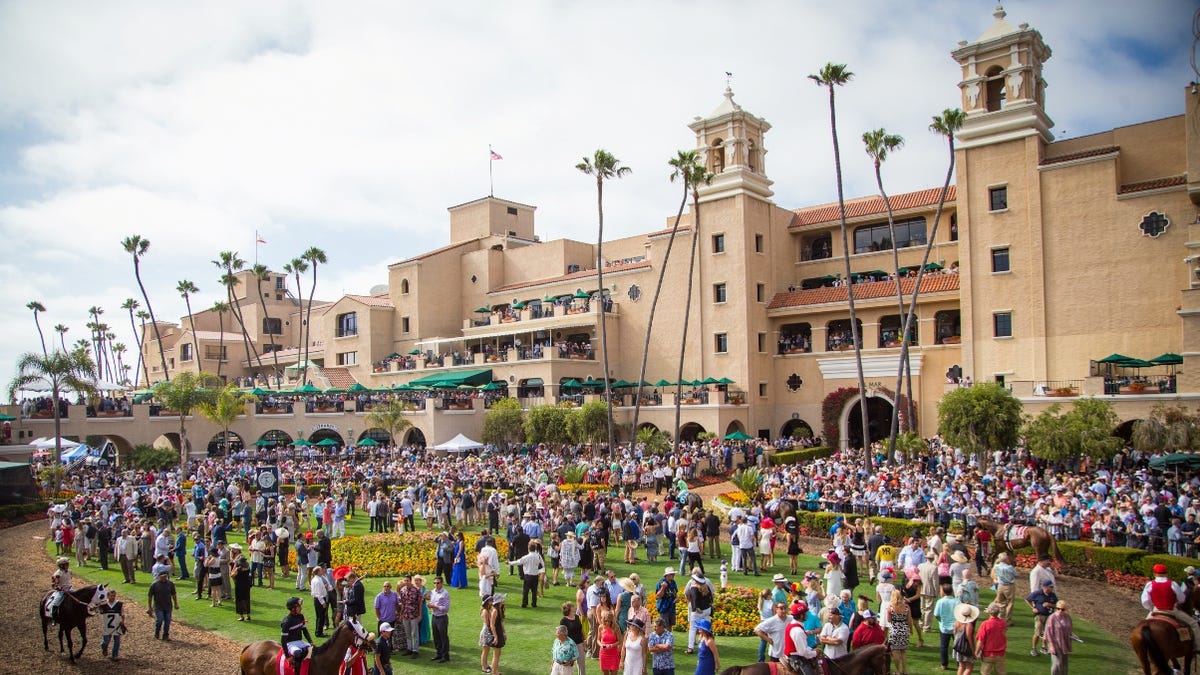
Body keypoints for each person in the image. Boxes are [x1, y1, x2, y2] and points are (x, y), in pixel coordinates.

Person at [1140, 562, 1200, 654]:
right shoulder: (1173, 584)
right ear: (1166, 573)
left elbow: (1145, 601)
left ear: (1154, 573)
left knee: (1142, 628)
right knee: (1194, 624)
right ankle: (1197, 646)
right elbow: (1182, 599)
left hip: (1156, 610)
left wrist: (1151, 608)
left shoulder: (1149, 585)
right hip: (1172, 610)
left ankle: (1143, 647)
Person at [281, 596, 315, 675]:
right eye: (299, 606)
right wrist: (287, 657)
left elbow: (305, 631)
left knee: (314, 650)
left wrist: (311, 642)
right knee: (298, 653)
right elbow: (283, 641)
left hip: (300, 641)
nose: (301, 608)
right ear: (293, 609)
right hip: (290, 644)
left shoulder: (301, 616)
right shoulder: (287, 622)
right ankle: (296, 672)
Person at [684, 569, 714, 654]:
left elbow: (694, 600)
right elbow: (711, 598)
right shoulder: (706, 586)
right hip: (707, 610)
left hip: (698, 611)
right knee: (706, 628)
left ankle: (690, 648)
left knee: (693, 628)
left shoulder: (694, 587)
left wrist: (696, 608)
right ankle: (708, 644)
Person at [1025, 579, 1058, 656]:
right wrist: (1033, 608)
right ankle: (1033, 648)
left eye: (1052, 587)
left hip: (1049, 616)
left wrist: (1049, 604)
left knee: (1047, 632)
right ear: (1045, 587)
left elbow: (1056, 605)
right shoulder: (1037, 593)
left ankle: (1044, 647)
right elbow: (1027, 599)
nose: (1051, 588)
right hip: (1040, 616)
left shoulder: (1052, 595)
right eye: (1050, 587)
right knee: (1038, 632)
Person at [974, 604, 1008, 675]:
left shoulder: (985, 624)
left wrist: (976, 652)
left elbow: (980, 640)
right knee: (1001, 672)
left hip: (987, 654)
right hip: (1000, 653)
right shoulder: (1003, 623)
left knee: (985, 673)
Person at [147, 571, 179, 641]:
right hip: (158, 606)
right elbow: (150, 597)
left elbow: (173, 594)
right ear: (159, 577)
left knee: (167, 621)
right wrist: (150, 607)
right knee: (160, 619)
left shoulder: (170, 584)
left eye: (165, 577)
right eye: (162, 577)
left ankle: (165, 635)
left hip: (168, 606)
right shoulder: (154, 585)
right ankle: (157, 633)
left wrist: (176, 604)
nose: (164, 578)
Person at [886, 587, 912, 674]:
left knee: (895, 651)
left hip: (894, 630)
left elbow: (889, 620)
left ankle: (897, 671)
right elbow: (909, 620)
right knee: (903, 651)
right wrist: (910, 629)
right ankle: (905, 670)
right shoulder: (906, 607)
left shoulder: (890, 608)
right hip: (904, 629)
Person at [934, 583, 960, 670]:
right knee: (957, 646)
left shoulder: (940, 601)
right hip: (956, 627)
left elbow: (936, 614)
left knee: (944, 646)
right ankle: (959, 663)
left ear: (943, 592)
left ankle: (944, 665)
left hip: (944, 627)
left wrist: (941, 621)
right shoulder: (957, 601)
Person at [1043, 600, 1071, 675]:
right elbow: (1048, 632)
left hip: (1065, 643)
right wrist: (1051, 646)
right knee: (1057, 664)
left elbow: (1069, 628)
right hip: (1055, 644)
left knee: (1064, 664)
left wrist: (1073, 635)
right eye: (1058, 608)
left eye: (1062, 609)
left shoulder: (1067, 617)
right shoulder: (1052, 618)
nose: (1060, 611)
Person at [397, 574, 422, 658]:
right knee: (407, 633)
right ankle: (409, 648)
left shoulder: (416, 590)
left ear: (410, 581)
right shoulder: (402, 590)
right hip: (405, 614)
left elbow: (420, 603)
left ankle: (415, 650)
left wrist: (420, 615)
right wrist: (401, 615)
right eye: (405, 581)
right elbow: (403, 604)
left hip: (414, 614)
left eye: (407, 580)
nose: (406, 582)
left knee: (414, 633)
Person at [98, 587, 125, 661]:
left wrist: (122, 621)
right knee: (105, 642)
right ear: (108, 596)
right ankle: (104, 648)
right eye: (111, 596)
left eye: (114, 596)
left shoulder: (119, 604)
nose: (113, 597)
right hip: (107, 627)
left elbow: (122, 614)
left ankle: (114, 655)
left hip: (116, 626)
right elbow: (97, 609)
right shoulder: (103, 605)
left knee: (117, 642)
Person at [428, 576, 451, 662]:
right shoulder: (433, 592)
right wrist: (430, 605)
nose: (436, 585)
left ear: (441, 583)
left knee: (443, 636)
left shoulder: (445, 594)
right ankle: (439, 653)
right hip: (434, 616)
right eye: (434, 583)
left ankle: (445, 656)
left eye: (438, 583)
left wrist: (434, 606)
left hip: (442, 617)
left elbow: (446, 608)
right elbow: (432, 602)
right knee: (436, 636)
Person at [561, 602, 587, 675]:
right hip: (569, 645)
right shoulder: (563, 620)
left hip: (579, 643)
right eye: (572, 606)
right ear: (569, 609)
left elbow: (581, 629)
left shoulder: (577, 617)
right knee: (569, 664)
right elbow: (562, 634)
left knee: (581, 664)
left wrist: (584, 640)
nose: (574, 607)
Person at [990, 553, 1017, 624]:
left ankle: (1000, 617)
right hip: (1009, 586)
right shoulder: (1009, 567)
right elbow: (1015, 574)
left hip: (1000, 585)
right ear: (1006, 559)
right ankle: (1007, 620)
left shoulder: (996, 566)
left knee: (1001, 602)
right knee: (1010, 603)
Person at [953, 603, 979, 675]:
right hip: (966, 647)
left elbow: (954, 633)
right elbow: (969, 637)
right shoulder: (969, 624)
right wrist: (973, 651)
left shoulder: (957, 622)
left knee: (961, 666)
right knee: (969, 666)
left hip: (958, 646)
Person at [231, 543, 253, 621]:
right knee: (246, 600)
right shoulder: (247, 567)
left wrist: (235, 569)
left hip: (239, 585)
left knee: (240, 600)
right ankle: (248, 614)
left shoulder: (239, 569)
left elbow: (232, 575)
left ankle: (241, 616)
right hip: (246, 585)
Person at [598, 607, 623, 675]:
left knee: (614, 672)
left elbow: (620, 641)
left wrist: (612, 645)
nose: (607, 622)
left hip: (613, 653)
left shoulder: (616, 627)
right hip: (603, 653)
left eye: (609, 621)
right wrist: (601, 645)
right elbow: (598, 640)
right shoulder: (600, 627)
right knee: (605, 673)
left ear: (612, 620)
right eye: (606, 621)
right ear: (603, 620)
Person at [48, 557, 72, 623]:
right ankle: (54, 618)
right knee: (55, 603)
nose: (68, 565)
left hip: (70, 589)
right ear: (61, 565)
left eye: (68, 564)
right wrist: (60, 588)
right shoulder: (57, 574)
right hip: (62, 591)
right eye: (66, 564)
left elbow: (69, 580)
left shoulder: (69, 571)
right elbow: (54, 585)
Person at [655, 568, 678, 633]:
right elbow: (658, 596)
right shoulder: (661, 583)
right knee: (663, 626)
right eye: (672, 574)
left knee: (670, 625)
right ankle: (664, 641)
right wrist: (663, 587)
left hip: (671, 607)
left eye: (674, 574)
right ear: (667, 575)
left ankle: (669, 639)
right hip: (664, 608)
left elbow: (675, 592)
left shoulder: (673, 582)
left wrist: (677, 598)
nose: (673, 575)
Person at [311, 566, 332, 637]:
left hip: (318, 599)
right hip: (319, 600)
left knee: (319, 616)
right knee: (321, 616)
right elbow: (318, 593)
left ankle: (319, 631)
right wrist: (323, 602)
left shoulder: (317, 579)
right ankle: (319, 632)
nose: (322, 571)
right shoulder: (317, 580)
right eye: (320, 570)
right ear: (318, 572)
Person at [479, 595, 497, 674]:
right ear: (487, 601)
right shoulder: (485, 611)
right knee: (485, 650)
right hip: (486, 631)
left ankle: (486, 665)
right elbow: (487, 623)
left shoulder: (488, 609)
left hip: (487, 631)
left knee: (487, 650)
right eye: (490, 600)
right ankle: (484, 667)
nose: (492, 601)